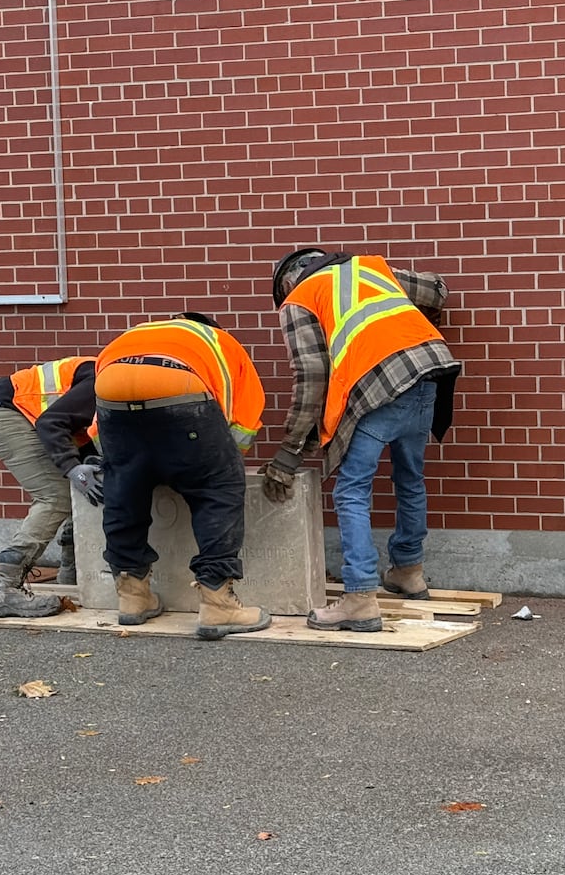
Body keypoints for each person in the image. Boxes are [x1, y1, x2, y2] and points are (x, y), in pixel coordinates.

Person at [264, 248, 461, 633]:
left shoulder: (299, 300)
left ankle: (359, 597)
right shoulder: (370, 268)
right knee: (410, 477)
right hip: (431, 371)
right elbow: (438, 291)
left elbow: (311, 375)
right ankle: (408, 570)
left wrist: (288, 454)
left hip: (380, 383)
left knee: (351, 490)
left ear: (288, 282)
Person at [93, 312, 271, 641]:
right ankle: (218, 602)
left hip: (110, 389)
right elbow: (241, 420)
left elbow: (101, 437)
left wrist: (132, 469)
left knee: (123, 487)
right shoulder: (221, 342)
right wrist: (215, 464)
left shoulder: (133, 334)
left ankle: (132, 596)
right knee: (219, 486)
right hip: (180, 385)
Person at [0, 356, 102, 617]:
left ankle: (71, 575)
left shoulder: (116, 379)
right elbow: (51, 422)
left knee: (81, 487)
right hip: (9, 415)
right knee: (55, 497)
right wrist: (71, 467)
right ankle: (3, 589)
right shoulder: (101, 379)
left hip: (27, 415)